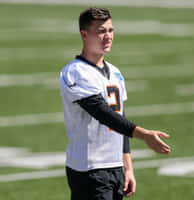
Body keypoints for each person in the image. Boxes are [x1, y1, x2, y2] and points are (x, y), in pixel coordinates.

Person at [59, 7, 171, 200]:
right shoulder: (76, 72)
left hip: (114, 167)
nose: (108, 36)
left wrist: (127, 167)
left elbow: (120, 119)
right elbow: (103, 114)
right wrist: (143, 135)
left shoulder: (115, 72)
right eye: (101, 31)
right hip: (89, 169)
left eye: (110, 30)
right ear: (84, 34)